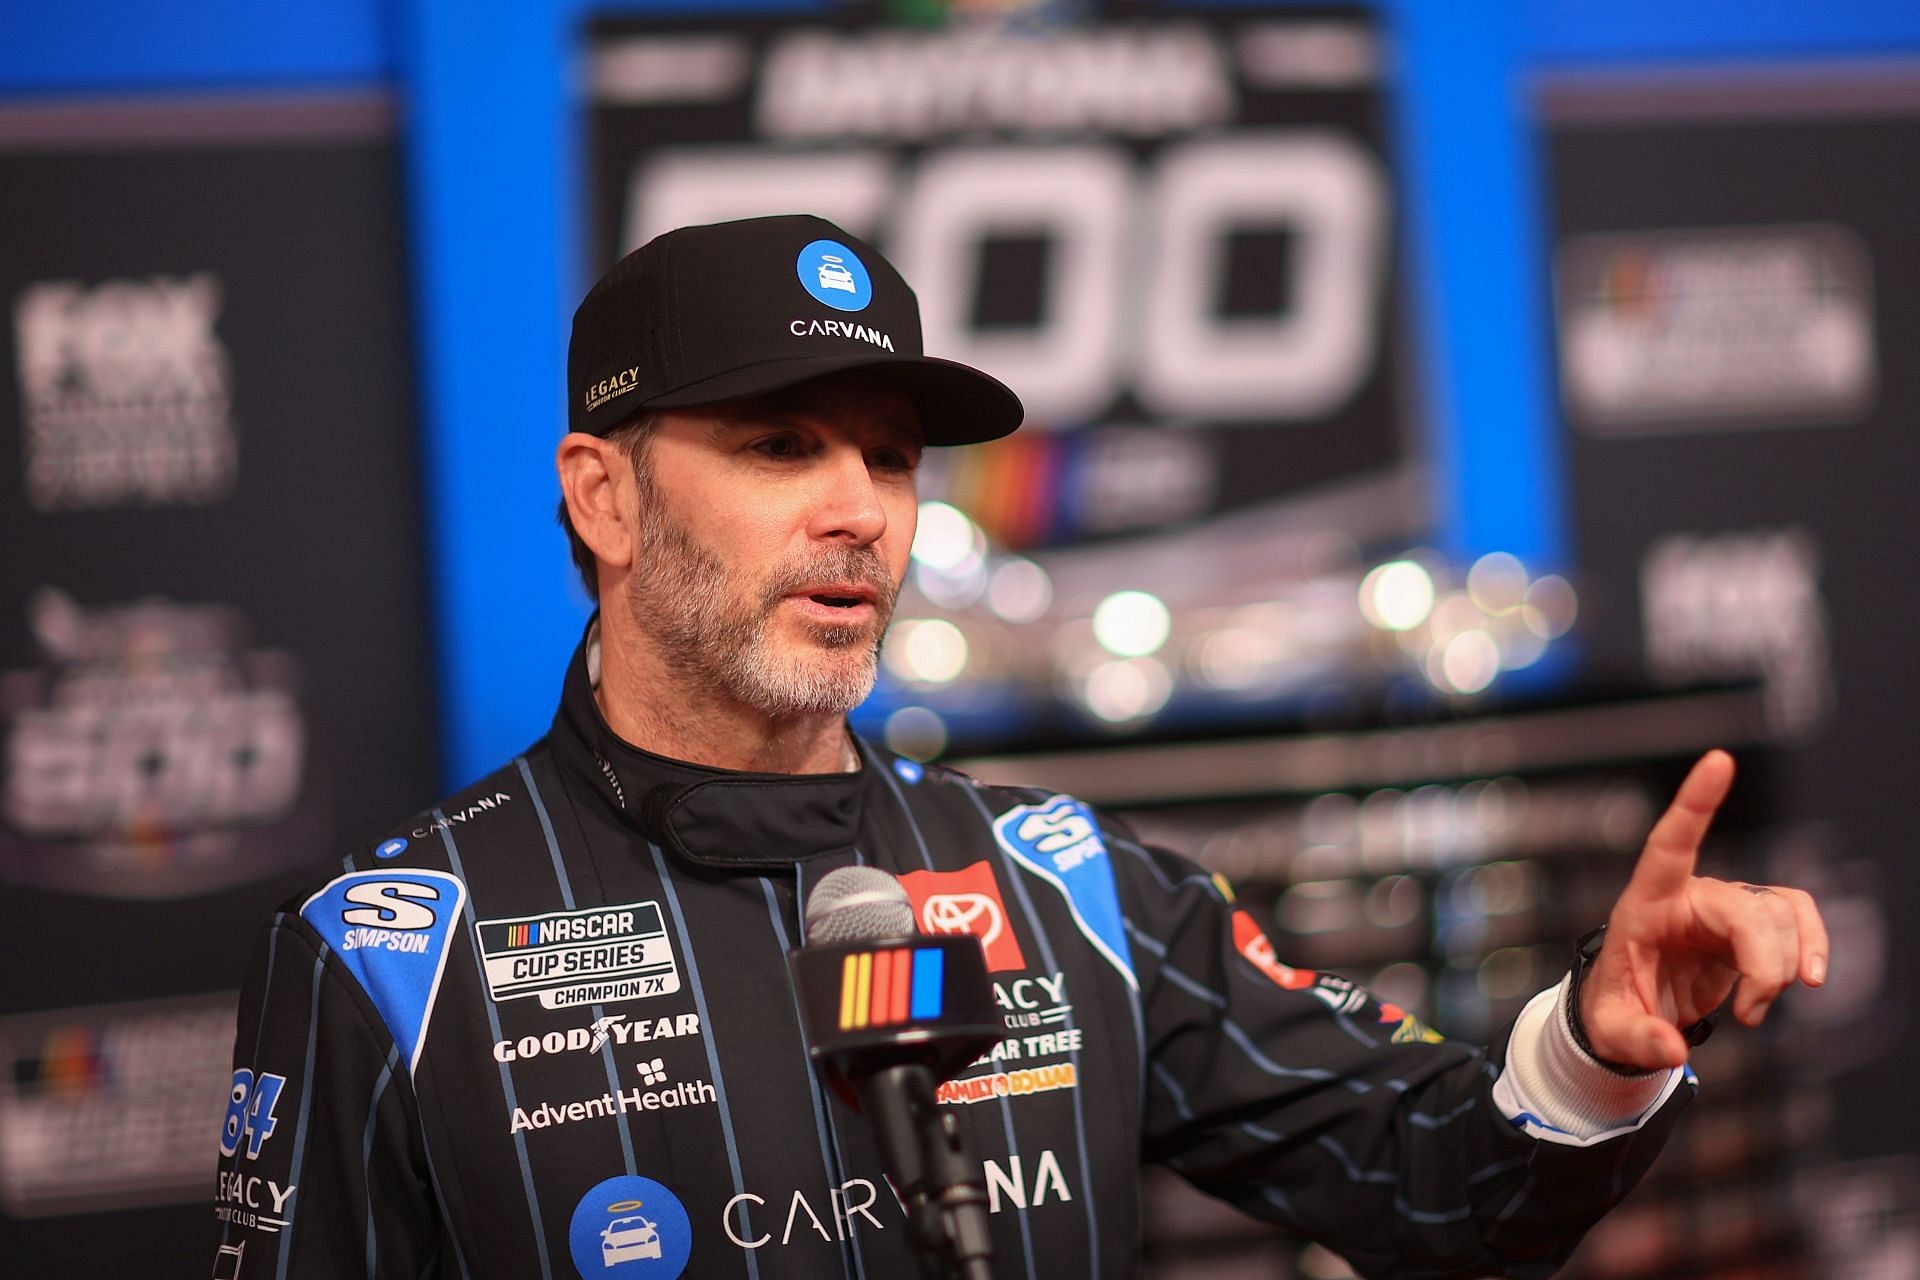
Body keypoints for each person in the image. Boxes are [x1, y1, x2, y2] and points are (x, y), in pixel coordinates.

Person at [211, 215, 1828, 1280]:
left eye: (893, 459)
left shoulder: (1062, 882)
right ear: (604, 495)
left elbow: (1440, 1185)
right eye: (781, 445)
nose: (860, 510)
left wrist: (1604, 1043)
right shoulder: (387, 954)